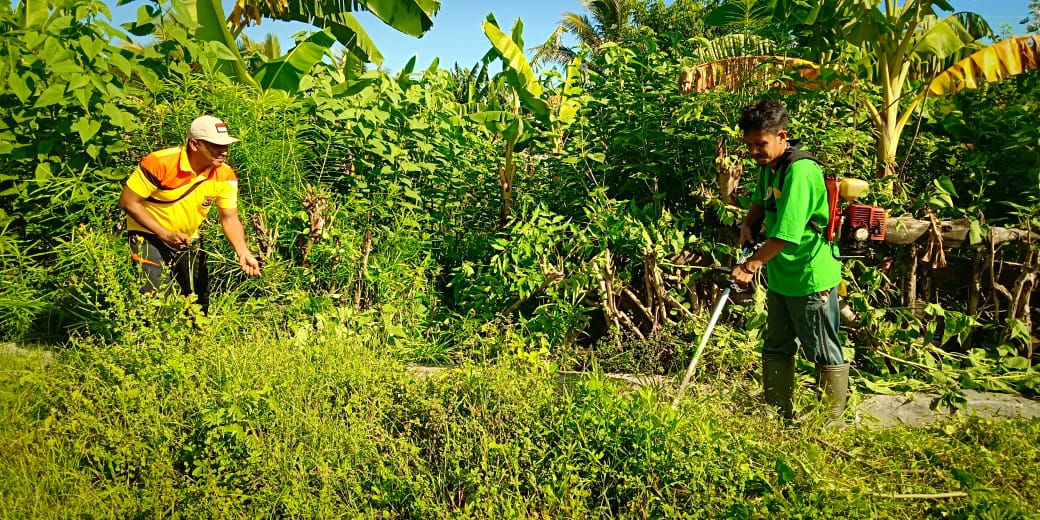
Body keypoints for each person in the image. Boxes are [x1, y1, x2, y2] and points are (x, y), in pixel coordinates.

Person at [729, 99, 848, 427]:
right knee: (777, 344)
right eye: (750, 145)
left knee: (822, 349)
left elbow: (786, 235)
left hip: (809, 277)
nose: (755, 151)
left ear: (782, 136)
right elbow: (759, 202)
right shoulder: (771, 167)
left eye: (761, 144)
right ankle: (778, 413)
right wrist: (747, 225)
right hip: (782, 276)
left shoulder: (800, 171)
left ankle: (831, 422)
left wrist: (750, 266)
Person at [119, 115, 260, 315]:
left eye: (226, 145)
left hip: (187, 238)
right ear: (195, 144)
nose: (224, 151)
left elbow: (229, 218)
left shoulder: (226, 175)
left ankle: (196, 343)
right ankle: (159, 343)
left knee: (198, 300)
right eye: (215, 145)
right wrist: (165, 234)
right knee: (158, 298)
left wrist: (243, 251)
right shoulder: (160, 163)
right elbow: (128, 202)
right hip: (146, 235)